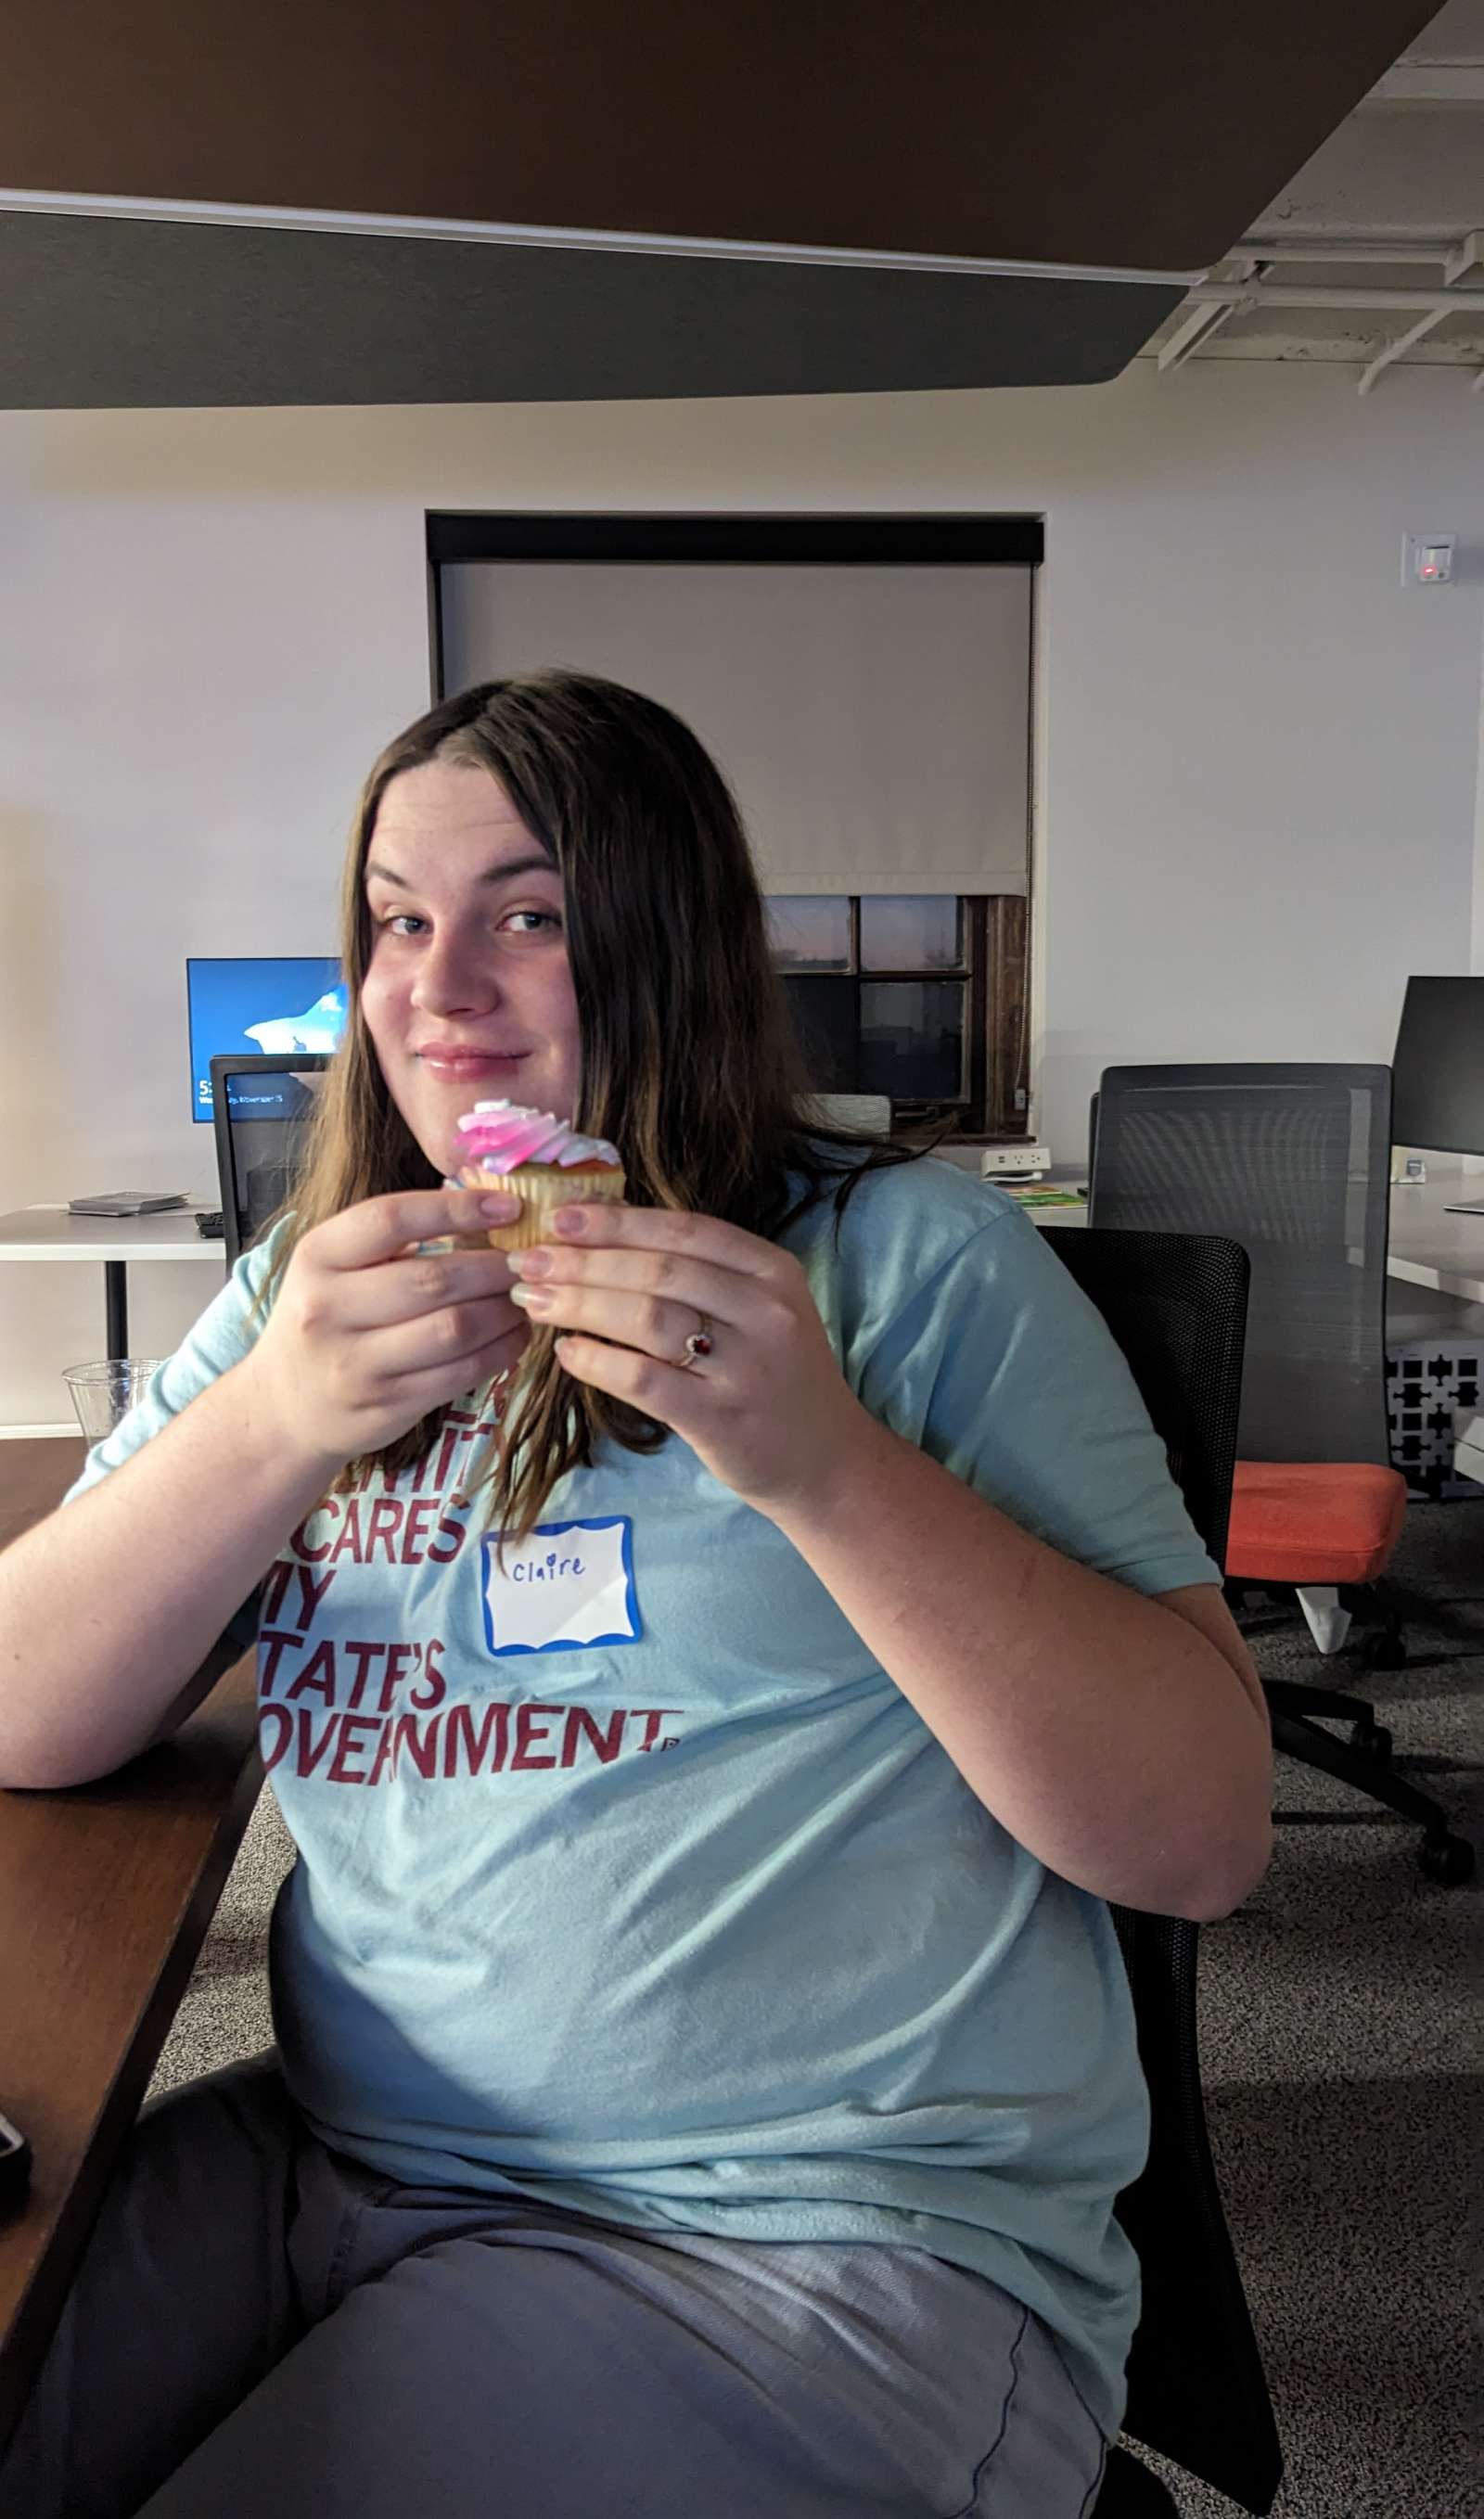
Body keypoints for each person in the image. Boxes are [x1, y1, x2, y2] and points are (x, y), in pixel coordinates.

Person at [0, 671, 1272, 2519]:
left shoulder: (912, 1272)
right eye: (395, 921)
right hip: (336, 2154)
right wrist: (272, 1419)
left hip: (796, 2240)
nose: (437, 990)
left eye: (527, 914)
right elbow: (26, 1711)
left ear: (664, 944)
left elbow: (1201, 1836)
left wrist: (824, 1468)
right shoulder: (315, 1285)